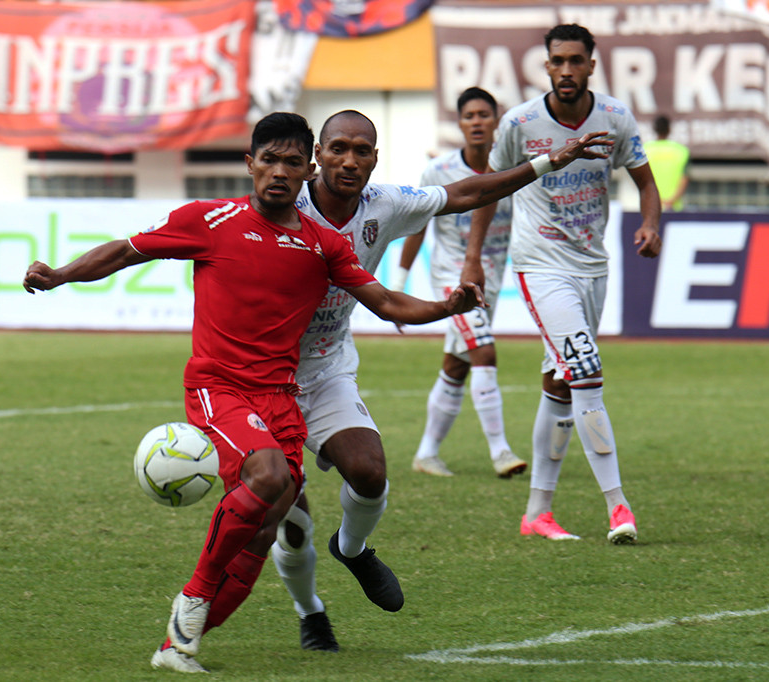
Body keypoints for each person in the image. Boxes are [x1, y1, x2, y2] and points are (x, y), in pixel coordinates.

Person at [22, 112, 487, 674]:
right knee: (266, 478)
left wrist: (445, 307)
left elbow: (386, 302)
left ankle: (179, 643)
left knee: (268, 526)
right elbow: (125, 251)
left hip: (281, 396)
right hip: (218, 387)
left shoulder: (322, 243)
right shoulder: (209, 220)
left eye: (292, 163)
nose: (279, 172)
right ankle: (194, 598)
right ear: (250, 164)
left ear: (307, 171)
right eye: (269, 160)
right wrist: (60, 275)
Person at [272, 108, 615, 652]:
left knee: (370, 473)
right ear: (318, 155)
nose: (349, 160)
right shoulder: (282, 205)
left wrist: (548, 162)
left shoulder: (384, 204)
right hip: (265, 378)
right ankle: (310, 611)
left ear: (375, 158)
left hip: (328, 367)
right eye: (338, 148)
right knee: (291, 522)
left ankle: (353, 549)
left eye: (362, 150)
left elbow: (466, 193)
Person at [464, 24, 662, 545]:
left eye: (576, 60)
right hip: (541, 265)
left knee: (559, 383)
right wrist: (473, 258)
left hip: (593, 266)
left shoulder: (615, 117)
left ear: (591, 65)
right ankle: (618, 506)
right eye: (558, 61)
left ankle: (537, 513)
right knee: (587, 372)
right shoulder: (520, 123)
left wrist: (650, 223)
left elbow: (646, 182)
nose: (567, 70)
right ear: (547, 66)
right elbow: (489, 189)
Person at [393, 87, 523, 479]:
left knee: (457, 364)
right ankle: (501, 452)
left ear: (497, 121)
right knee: (483, 351)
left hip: (491, 274)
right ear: (460, 123)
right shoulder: (439, 171)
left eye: (484, 114)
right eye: (469, 116)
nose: (477, 122)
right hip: (453, 276)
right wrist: (399, 283)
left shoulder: (513, 169)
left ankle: (426, 454)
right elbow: (417, 226)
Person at [644, 114, 690, 211]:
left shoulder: (645, 149)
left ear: (654, 129)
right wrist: (671, 201)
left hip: (650, 205)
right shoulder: (682, 151)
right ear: (669, 129)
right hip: (674, 207)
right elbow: (684, 179)